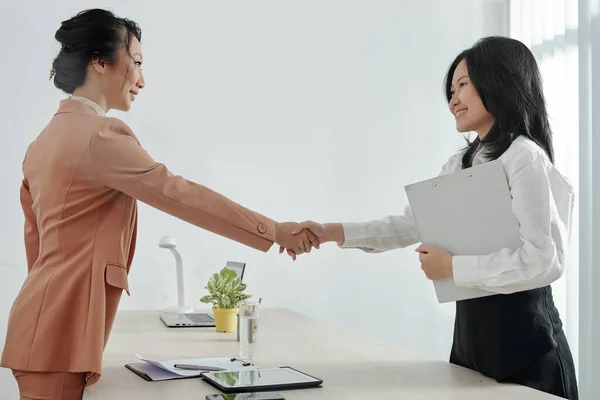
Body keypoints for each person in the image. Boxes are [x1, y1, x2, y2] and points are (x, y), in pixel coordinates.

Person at [0, 9, 318, 400]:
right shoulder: (100, 135)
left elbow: (37, 246)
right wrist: (273, 230)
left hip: (42, 322)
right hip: (59, 334)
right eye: (136, 62)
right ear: (100, 62)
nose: (142, 79)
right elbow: (180, 195)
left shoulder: (42, 141)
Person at [290, 36, 578, 399]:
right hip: (473, 347)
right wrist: (330, 231)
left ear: (499, 79)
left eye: (462, 85)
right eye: (451, 90)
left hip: (530, 350)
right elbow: (411, 224)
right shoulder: (460, 163)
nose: (453, 100)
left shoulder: (525, 157)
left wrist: (454, 267)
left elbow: (544, 260)